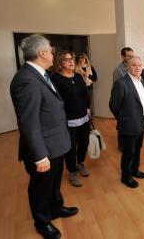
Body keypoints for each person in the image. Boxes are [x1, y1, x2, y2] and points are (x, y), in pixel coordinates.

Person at [10, 35, 78, 239]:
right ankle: (42, 222)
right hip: (43, 149)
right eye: (50, 49)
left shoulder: (40, 74)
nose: (52, 53)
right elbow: (28, 123)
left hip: (55, 144)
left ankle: (56, 208)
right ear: (41, 53)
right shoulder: (26, 80)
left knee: (55, 181)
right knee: (41, 187)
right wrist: (40, 156)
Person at [109, 56, 144, 189]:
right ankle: (126, 177)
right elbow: (113, 105)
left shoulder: (142, 81)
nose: (137, 68)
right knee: (128, 151)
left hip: (140, 121)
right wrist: (124, 118)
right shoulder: (121, 83)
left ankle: (134, 170)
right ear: (127, 67)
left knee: (137, 148)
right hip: (128, 123)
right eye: (134, 65)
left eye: (139, 65)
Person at [51, 51, 91, 187]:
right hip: (67, 120)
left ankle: (80, 163)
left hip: (84, 117)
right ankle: (72, 171)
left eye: (72, 59)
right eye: (66, 60)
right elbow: (54, 101)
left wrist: (88, 108)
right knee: (70, 147)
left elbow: (85, 94)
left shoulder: (79, 76)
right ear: (59, 63)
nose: (71, 62)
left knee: (84, 142)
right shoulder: (55, 79)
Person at [112, 47, 134, 150]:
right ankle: (121, 146)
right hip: (123, 102)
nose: (131, 58)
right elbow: (116, 90)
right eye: (129, 56)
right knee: (122, 124)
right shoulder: (118, 70)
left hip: (133, 101)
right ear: (123, 56)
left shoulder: (134, 67)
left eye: (132, 55)